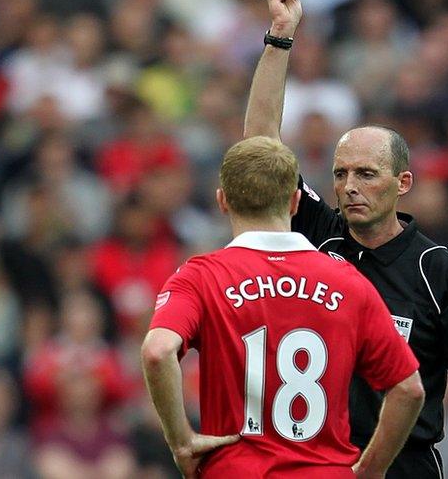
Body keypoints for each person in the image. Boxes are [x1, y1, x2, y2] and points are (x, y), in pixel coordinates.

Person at [241, 0, 448, 478]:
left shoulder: (435, 268)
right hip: (315, 461)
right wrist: (279, 37)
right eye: (341, 174)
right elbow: (259, 147)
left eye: (367, 173)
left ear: (403, 182)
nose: (350, 186)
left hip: (403, 468)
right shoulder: (317, 234)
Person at [141, 136, 425, 478]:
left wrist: (181, 441)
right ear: (294, 202)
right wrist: (371, 468)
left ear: (223, 201)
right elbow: (408, 389)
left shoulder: (200, 277)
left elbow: (157, 352)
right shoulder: (349, 282)